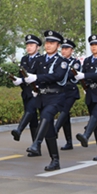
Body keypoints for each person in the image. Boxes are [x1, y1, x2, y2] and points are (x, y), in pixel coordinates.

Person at [24, 30, 69, 171]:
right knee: (48, 129)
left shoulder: (62, 62)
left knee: (46, 115)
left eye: (52, 43)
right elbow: (31, 73)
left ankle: (36, 143)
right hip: (42, 97)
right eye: (47, 42)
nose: (49, 45)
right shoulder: (40, 60)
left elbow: (56, 76)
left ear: (58, 45)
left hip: (56, 97)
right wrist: (27, 81)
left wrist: (37, 78)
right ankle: (55, 160)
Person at [11, 34, 43, 156]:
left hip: (37, 92)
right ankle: (36, 147)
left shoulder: (41, 59)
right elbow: (23, 75)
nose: (28, 47)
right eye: (27, 45)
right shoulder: (24, 59)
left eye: (31, 45)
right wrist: (17, 80)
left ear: (37, 47)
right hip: (26, 92)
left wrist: (23, 80)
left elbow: (38, 76)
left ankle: (19, 130)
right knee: (33, 120)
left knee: (30, 111)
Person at [53, 38, 81, 151]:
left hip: (71, 91)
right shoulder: (58, 61)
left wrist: (58, 74)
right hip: (61, 91)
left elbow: (69, 75)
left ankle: (55, 129)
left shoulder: (75, 63)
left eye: (67, 49)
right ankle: (69, 142)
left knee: (64, 111)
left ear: (72, 50)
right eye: (63, 48)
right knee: (65, 117)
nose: (64, 51)